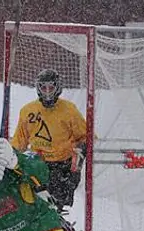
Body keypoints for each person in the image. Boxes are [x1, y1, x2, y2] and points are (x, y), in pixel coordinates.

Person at [10, 69, 87, 214]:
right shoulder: (27, 111)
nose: (47, 92)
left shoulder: (69, 110)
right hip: (37, 166)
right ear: (37, 88)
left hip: (62, 167)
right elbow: (19, 142)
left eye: (51, 87)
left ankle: (57, 229)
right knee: (32, 206)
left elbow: (85, 137)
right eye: (43, 87)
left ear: (58, 87)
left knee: (53, 208)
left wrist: (77, 161)